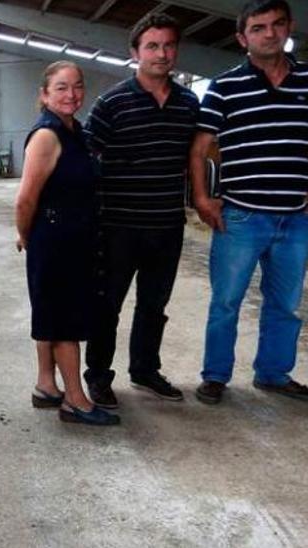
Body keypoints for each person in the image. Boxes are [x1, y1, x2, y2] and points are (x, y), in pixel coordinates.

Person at [189, 0, 308, 405]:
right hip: (242, 215)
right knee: (227, 300)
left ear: (289, 28)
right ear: (242, 38)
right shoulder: (226, 86)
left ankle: (273, 373)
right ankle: (215, 376)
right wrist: (202, 198)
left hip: (295, 217)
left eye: (277, 25)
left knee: (286, 302)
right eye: (259, 27)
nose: (269, 33)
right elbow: (199, 147)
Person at [82, 13, 199, 409]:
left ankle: (145, 370)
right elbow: (85, 156)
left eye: (168, 46)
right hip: (118, 226)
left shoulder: (189, 103)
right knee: (107, 306)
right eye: (152, 46)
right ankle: (98, 376)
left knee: (154, 305)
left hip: (167, 225)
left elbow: (197, 157)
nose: (161, 54)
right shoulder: (112, 103)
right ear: (135, 52)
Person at [15, 61, 119, 426]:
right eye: (61, 87)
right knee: (65, 322)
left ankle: (47, 385)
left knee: (52, 313)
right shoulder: (47, 135)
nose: (71, 94)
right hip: (56, 239)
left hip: (72, 237)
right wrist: (27, 235)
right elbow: (26, 199)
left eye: (77, 86)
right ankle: (75, 400)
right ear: (44, 94)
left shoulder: (75, 130)